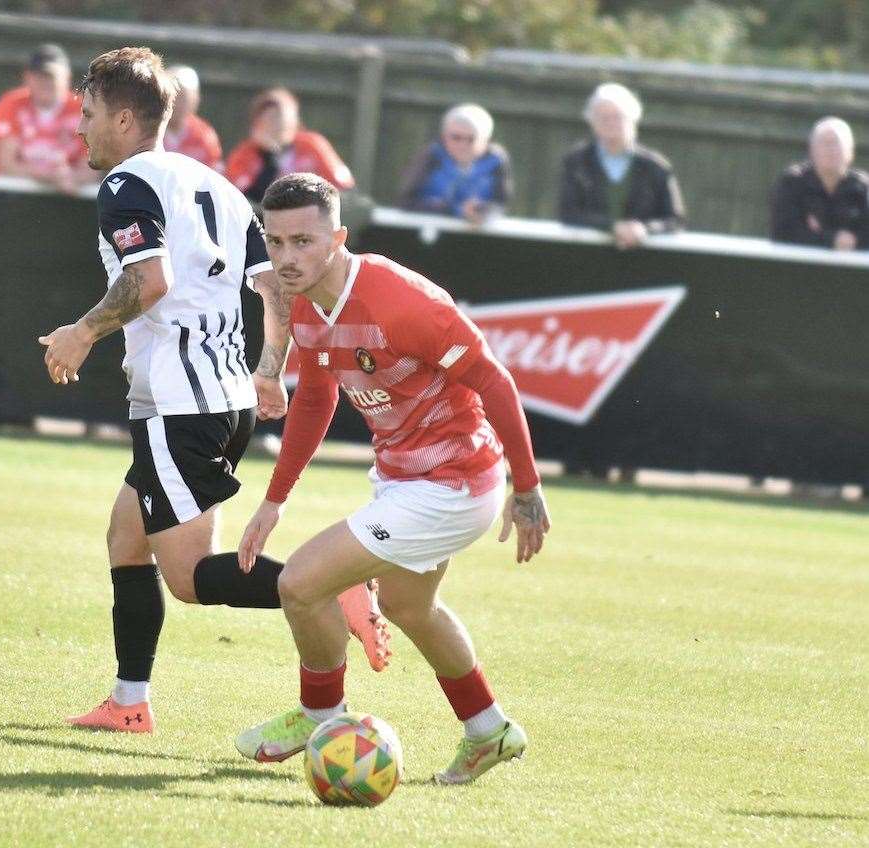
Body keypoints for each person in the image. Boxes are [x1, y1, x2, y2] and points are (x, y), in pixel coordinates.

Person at [38, 48, 390, 734]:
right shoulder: (217, 185)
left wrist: (81, 332)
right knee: (125, 536)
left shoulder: (125, 185)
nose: (78, 130)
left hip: (180, 405)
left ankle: (332, 586)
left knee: (192, 579)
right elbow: (272, 287)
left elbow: (150, 281)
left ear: (124, 117)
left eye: (86, 115)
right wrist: (265, 370)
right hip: (222, 398)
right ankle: (129, 701)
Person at [234, 173, 551, 785]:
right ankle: (489, 729)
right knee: (411, 606)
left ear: (339, 238)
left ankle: (318, 713)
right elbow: (317, 398)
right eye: (275, 242)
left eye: (303, 241)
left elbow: (495, 382)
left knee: (300, 584)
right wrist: (273, 501)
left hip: (453, 483)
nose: (287, 258)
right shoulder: (305, 304)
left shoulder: (403, 302)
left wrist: (529, 487)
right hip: (405, 479)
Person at [558, 82, 685, 249]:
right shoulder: (576, 162)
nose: (611, 123)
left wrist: (644, 229)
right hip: (584, 257)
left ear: (633, 119)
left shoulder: (656, 167)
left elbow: (675, 220)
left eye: (618, 116)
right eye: (603, 117)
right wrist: (613, 227)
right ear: (592, 122)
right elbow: (568, 213)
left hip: (643, 260)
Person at [0, 43, 94, 193]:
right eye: (39, 76)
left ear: (67, 77)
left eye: (51, 76)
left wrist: (72, 178)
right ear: (27, 77)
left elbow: (93, 166)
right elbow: (6, 164)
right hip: (15, 194)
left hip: (70, 194)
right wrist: (50, 177)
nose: (45, 83)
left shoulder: (84, 108)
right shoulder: (11, 104)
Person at [225, 87, 354, 203]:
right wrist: (270, 159)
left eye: (280, 117)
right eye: (269, 118)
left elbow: (343, 187)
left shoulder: (312, 145)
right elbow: (246, 199)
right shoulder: (244, 155)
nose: (276, 124)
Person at [398, 103, 512, 224]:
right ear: (444, 137)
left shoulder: (496, 161)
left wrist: (482, 211)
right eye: (456, 137)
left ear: (486, 140)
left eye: (471, 139)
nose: (462, 145)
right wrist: (453, 210)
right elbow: (405, 202)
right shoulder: (430, 156)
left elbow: (500, 206)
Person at [770, 117, 869, 251]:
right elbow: (783, 233)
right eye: (824, 143)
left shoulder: (863, 188)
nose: (830, 150)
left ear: (850, 152)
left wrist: (816, 234)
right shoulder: (792, 183)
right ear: (811, 150)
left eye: (836, 144)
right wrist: (832, 240)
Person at [162, 65, 222, 171]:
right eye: (175, 96)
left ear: (196, 99)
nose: (178, 103)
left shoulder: (205, 136)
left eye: (184, 97)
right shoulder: (149, 128)